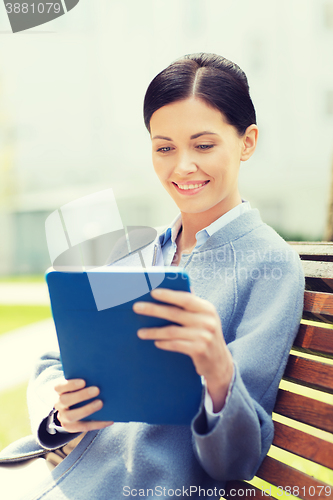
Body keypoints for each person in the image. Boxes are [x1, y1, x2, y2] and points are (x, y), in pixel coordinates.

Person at [0, 53, 304, 499]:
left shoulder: (269, 267)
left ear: (247, 142)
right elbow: (52, 361)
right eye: (164, 148)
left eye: (203, 145)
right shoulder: (137, 251)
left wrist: (219, 373)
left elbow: (235, 462)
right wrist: (61, 413)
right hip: (57, 467)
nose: (182, 166)